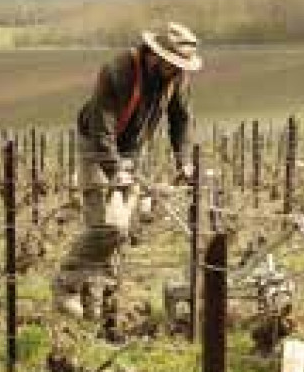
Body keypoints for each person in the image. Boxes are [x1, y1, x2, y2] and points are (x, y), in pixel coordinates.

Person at [53, 22, 201, 322]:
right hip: (96, 146)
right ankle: (67, 282)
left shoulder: (176, 78)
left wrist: (183, 161)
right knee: (105, 226)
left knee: (120, 233)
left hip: (133, 149)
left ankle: (102, 310)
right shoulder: (117, 71)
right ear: (155, 55)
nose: (177, 70)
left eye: (181, 65)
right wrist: (114, 169)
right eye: (172, 64)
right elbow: (102, 128)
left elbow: (181, 120)